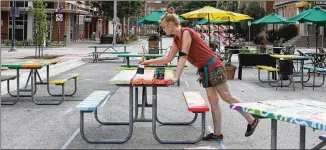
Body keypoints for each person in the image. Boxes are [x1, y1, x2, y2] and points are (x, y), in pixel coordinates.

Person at [140, 7, 260, 141]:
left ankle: (251, 120)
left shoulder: (186, 33)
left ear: (170, 24)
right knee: (213, 102)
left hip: (214, 67)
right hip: (205, 70)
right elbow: (168, 58)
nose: (163, 30)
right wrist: (148, 62)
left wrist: (176, 77)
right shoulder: (176, 39)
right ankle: (217, 134)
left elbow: (183, 56)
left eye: (163, 27)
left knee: (227, 97)